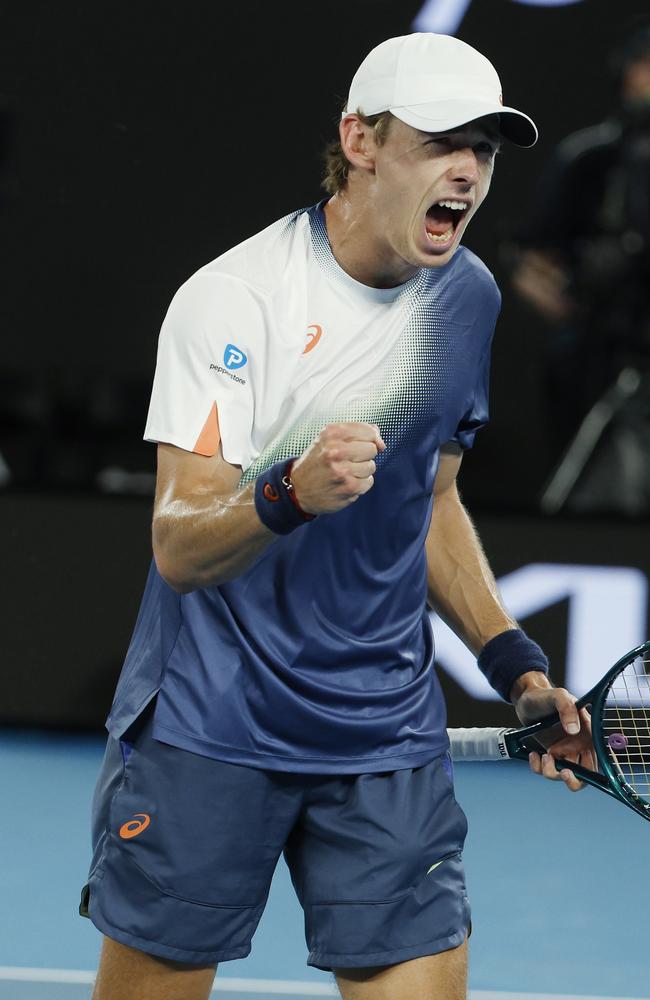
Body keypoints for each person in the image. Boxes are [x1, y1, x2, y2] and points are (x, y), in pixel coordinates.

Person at [80, 33, 594, 1000]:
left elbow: (432, 502)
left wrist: (514, 665)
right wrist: (283, 494)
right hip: (207, 727)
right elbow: (180, 545)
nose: (466, 172)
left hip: (383, 736)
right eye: (440, 141)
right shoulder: (234, 302)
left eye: (482, 150)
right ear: (359, 141)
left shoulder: (467, 296)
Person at [511, 24, 650, 512]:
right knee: (591, 498)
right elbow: (532, 262)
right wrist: (578, 311)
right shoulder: (591, 159)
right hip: (601, 365)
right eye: (645, 65)